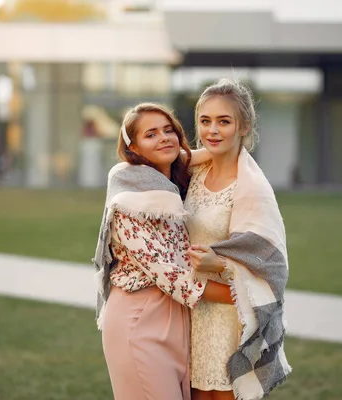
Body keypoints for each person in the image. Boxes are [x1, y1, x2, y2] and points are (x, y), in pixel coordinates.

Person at [93, 103, 233, 400]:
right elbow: (174, 279)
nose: (164, 138)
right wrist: (243, 296)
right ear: (133, 147)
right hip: (139, 320)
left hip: (176, 319)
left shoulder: (170, 178)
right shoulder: (130, 201)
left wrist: (231, 138)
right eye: (151, 134)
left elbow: (208, 152)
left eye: (169, 130)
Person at [185, 79, 292, 400]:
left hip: (230, 321)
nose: (213, 130)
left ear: (243, 126)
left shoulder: (252, 188)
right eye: (205, 121)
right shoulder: (194, 172)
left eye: (224, 121)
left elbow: (271, 267)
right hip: (189, 315)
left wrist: (220, 263)